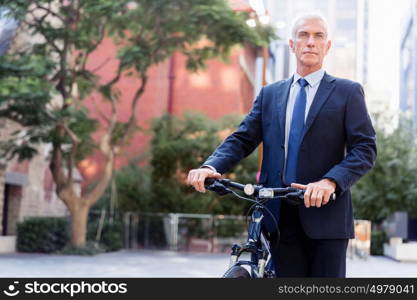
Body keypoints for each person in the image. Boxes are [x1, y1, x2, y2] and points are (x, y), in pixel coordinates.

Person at [186, 13, 377, 277]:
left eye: (318, 36)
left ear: (327, 46)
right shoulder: (270, 94)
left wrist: (330, 182)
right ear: (292, 44)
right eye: (304, 35)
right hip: (277, 216)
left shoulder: (347, 92)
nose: (311, 42)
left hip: (326, 218)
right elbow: (242, 138)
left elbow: (365, 149)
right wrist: (210, 166)